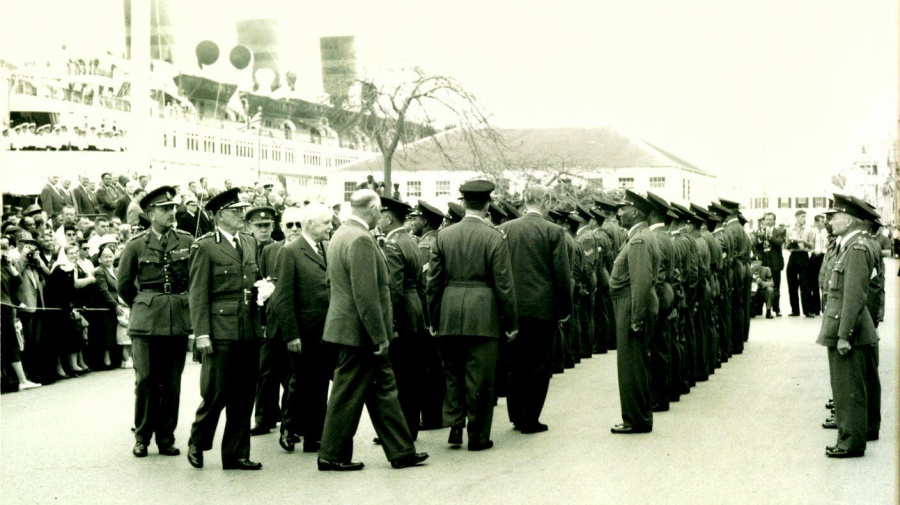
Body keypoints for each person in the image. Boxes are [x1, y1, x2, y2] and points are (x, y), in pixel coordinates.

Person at [317, 189, 428, 471]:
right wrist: (380, 336)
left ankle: (401, 450)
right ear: (373, 209)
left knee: (383, 390)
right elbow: (366, 295)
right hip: (360, 333)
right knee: (348, 394)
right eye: (379, 211)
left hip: (349, 328)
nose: (381, 216)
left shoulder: (342, 234)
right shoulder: (361, 239)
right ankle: (331, 455)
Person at [426, 181, 517, 451]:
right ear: (487, 205)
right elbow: (504, 285)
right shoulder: (495, 237)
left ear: (464, 203)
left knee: (453, 371)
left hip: (450, 312)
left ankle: (455, 424)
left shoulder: (443, 236)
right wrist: (511, 322)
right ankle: (477, 436)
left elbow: (434, 283)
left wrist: (433, 319)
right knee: (480, 378)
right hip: (483, 315)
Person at [187, 188, 264, 470]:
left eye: (242, 210)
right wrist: (202, 333)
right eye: (235, 211)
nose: (241, 215)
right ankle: (198, 441)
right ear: (220, 216)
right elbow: (198, 293)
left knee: (245, 394)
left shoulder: (249, 241)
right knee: (217, 392)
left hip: (248, 327)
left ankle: (236, 454)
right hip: (220, 328)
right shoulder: (205, 246)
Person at [117, 186, 193, 458]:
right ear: (149, 214)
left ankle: (166, 436)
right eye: (165, 209)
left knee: (171, 382)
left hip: (177, 318)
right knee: (147, 379)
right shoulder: (136, 244)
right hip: (146, 320)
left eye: (173, 207)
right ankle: (142, 435)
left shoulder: (186, 240)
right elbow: (124, 285)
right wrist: (143, 305)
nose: (172, 212)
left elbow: (193, 279)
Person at [498, 184, 571, 434]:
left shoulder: (506, 229)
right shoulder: (553, 231)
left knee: (515, 362)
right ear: (546, 202)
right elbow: (561, 274)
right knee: (539, 365)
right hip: (543, 308)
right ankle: (530, 417)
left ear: (523, 201)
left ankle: (516, 414)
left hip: (514, 307)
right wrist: (565, 307)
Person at [817, 194, 880, 458]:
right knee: (856, 384)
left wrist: (844, 335)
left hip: (848, 328)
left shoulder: (855, 248)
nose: (831, 221)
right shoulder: (853, 245)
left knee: (848, 388)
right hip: (852, 324)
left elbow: (853, 295)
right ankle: (860, 431)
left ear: (851, 220)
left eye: (835, 216)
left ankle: (850, 441)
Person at [271, 204, 333, 453]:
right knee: (301, 382)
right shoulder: (290, 252)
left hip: (324, 330)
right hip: (303, 330)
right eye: (325, 223)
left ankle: (314, 436)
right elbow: (282, 297)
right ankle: (289, 427)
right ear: (310, 225)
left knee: (319, 383)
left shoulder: (326, 248)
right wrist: (291, 334)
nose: (330, 227)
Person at [609, 190, 659, 434]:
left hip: (631, 306)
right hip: (630, 305)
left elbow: (640, 283)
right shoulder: (638, 237)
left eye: (623, 208)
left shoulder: (638, 240)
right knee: (635, 365)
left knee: (631, 367)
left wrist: (636, 318)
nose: (618, 213)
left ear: (636, 212)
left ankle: (636, 420)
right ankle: (637, 417)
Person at [377, 196, 426, 442]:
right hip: (414, 309)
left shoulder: (392, 244)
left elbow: (392, 290)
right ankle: (410, 426)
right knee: (411, 373)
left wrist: (390, 323)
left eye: (380, 215)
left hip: (401, 314)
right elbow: (420, 284)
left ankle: (403, 429)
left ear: (387, 218)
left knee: (400, 375)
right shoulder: (410, 240)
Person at [247, 206, 287, 436]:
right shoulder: (245, 247)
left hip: (275, 315)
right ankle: (265, 417)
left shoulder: (278, 248)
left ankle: (275, 415)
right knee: (264, 371)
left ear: (273, 226)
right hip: (257, 317)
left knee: (278, 369)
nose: (263, 230)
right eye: (258, 226)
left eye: (267, 225)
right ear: (249, 227)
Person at [785, 210, 816, 317]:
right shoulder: (789, 230)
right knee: (791, 283)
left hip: (803, 256)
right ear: (796, 217)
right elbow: (786, 245)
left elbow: (812, 245)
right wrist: (791, 244)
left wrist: (803, 241)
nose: (804, 219)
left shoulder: (809, 230)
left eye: (805, 217)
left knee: (805, 284)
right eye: (802, 216)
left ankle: (808, 310)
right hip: (793, 255)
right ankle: (795, 310)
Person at [754, 212, 785, 315]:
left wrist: (770, 237)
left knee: (775, 286)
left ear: (774, 221)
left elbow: (779, 244)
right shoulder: (759, 232)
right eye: (766, 219)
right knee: (760, 285)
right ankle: (759, 308)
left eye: (770, 219)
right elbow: (755, 246)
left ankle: (776, 309)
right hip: (763, 261)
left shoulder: (779, 231)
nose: (768, 221)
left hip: (775, 263)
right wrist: (761, 238)